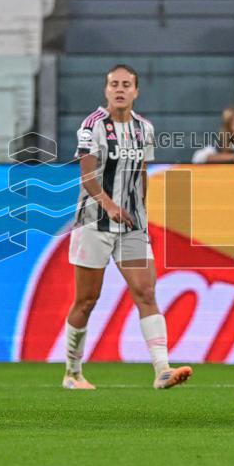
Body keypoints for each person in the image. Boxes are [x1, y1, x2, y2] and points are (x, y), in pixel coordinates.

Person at [61, 64, 192, 390]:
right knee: (87, 300)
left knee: (146, 292)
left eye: (126, 84)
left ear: (136, 91)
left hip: (131, 225)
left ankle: (162, 369)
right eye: (114, 84)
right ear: (106, 90)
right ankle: (72, 372)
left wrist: (140, 211)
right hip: (94, 222)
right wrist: (109, 205)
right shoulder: (91, 125)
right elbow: (88, 175)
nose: (120, 89)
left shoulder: (144, 128)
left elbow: (142, 170)